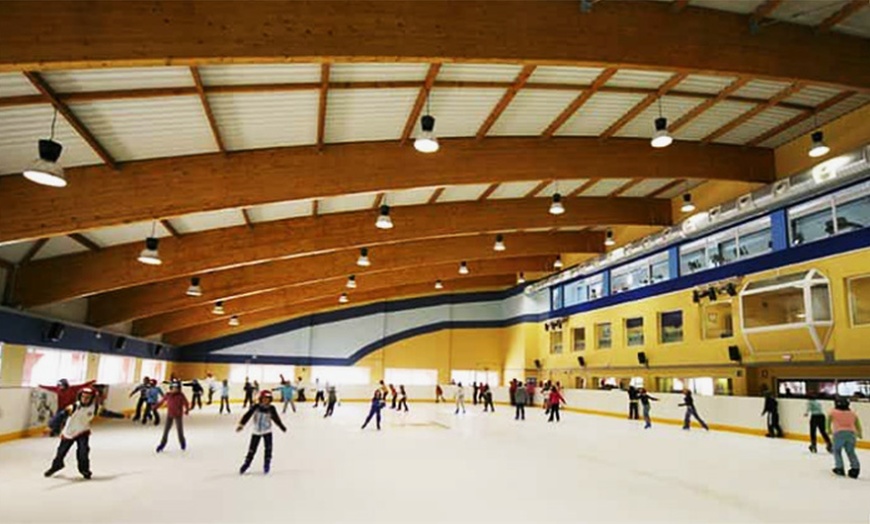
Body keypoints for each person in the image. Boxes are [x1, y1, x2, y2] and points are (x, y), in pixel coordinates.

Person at [44, 386, 98, 479]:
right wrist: (51, 426)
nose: (85, 399)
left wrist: (123, 416)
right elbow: (60, 416)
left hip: (83, 432)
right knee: (61, 452)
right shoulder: (73, 407)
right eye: (83, 397)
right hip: (69, 432)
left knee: (83, 452)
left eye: (87, 398)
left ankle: (84, 470)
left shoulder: (95, 408)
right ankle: (56, 466)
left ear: (92, 399)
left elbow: (107, 413)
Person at [237, 390, 287, 474]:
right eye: (264, 398)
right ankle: (247, 463)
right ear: (260, 398)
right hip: (256, 431)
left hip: (267, 431)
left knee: (268, 448)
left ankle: (267, 463)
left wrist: (281, 426)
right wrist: (241, 424)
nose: (266, 400)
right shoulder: (255, 407)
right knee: (252, 449)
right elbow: (247, 415)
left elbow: (276, 418)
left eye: (268, 399)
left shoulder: (271, 408)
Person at [827, 397, 862, 478]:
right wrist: (859, 433)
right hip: (851, 434)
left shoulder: (833, 412)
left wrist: (828, 430)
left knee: (837, 451)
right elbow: (857, 423)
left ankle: (839, 468)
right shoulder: (852, 413)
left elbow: (828, 421)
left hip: (838, 434)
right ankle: (855, 468)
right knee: (851, 452)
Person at [155, 380, 190, 452]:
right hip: (169, 415)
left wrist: (187, 410)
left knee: (179, 431)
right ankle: (162, 445)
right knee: (166, 431)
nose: (175, 389)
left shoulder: (181, 395)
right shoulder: (168, 395)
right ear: (170, 388)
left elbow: (186, 403)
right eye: (173, 388)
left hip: (178, 415)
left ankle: (182, 443)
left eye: (176, 388)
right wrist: (155, 407)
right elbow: (161, 402)